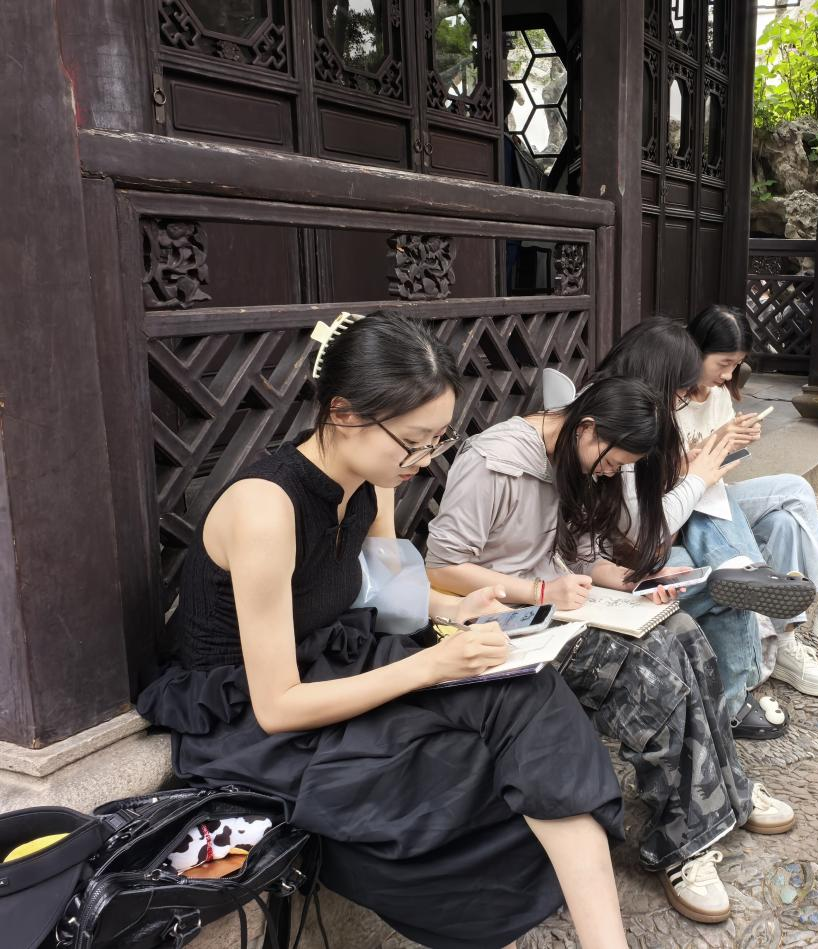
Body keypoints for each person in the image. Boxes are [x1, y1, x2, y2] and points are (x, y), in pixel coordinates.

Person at [136, 311, 630, 949]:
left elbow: (391, 591)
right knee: (459, 764)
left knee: (530, 694)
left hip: (334, 658)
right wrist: (429, 666)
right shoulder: (265, 509)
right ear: (343, 413)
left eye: (436, 441)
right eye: (414, 442)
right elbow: (277, 706)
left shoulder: (371, 481)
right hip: (250, 717)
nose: (423, 461)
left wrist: (454, 609)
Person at [425, 376, 797, 926]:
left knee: (683, 634)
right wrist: (539, 591)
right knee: (650, 673)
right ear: (588, 427)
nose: (608, 474)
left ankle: (726, 791)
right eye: (611, 463)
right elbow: (440, 567)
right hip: (501, 625)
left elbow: (580, 559)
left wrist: (634, 581)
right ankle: (683, 841)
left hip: (559, 607)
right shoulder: (495, 460)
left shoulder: (579, 456)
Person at [584, 318, 813, 734]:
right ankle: (735, 698)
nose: (683, 399)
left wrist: (693, 467)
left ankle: (744, 576)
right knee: (720, 576)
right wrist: (697, 475)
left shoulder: (636, 411)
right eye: (679, 391)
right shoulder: (621, 421)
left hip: (645, 537)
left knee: (740, 540)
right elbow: (643, 529)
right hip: (621, 558)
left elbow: (653, 493)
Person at [669, 308, 818, 677]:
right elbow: (660, 475)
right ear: (693, 350)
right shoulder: (664, 399)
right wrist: (715, 442)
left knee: (784, 522)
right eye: (723, 363)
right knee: (795, 488)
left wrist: (735, 442)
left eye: (736, 365)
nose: (728, 375)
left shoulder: (718, 394)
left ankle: (784, 640)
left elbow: (721, 471)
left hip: (715, 497)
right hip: (681, 506)